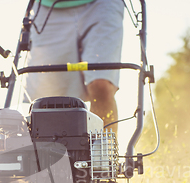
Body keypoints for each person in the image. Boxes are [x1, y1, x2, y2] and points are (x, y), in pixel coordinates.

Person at [25, 0, 124, 133]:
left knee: (102, 84)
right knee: (45, 100)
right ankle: (50, 152)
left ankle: (103, 151)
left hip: (102, 5)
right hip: (48, 8)